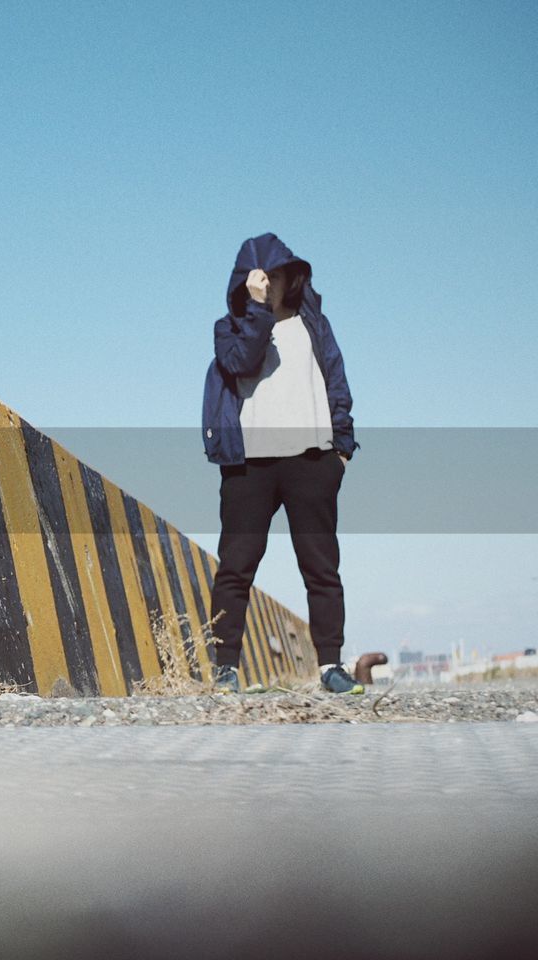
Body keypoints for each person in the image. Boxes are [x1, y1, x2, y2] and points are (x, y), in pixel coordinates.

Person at [200, 233, 365, 695]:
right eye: (259, 276)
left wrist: (342, 448)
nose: (268, 282)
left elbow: (337, 379)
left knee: (321, 567)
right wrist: (255, 309)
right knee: (237, 566)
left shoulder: (315, 325)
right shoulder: (230, 328)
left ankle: (331, 665)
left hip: (312, 460)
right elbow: (242, 360)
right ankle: (226, 669)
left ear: (292, 276)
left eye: (276, 274)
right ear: (245, 281)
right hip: (249, 465)